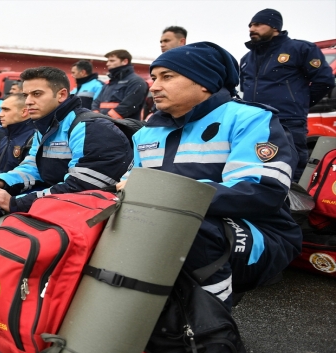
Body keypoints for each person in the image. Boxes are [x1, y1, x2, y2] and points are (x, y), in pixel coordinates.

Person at [117, 41, 301, 310]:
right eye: (154, 77)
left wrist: (164, 192)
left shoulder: (249, 118)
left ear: (204, 82)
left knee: (186, 228)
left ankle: (210, 328)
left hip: (260, 231)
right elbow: (131, 186)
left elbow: (262, 192)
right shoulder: (146, 133)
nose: (154, 86)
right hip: (171, 222)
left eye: (167, 77)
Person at [0, 66, 133, 213]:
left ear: (61, 94)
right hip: (67, 212)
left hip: (98, 219)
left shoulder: (91, 128)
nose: (28, 102)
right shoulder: (45, 127)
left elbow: (80, 189)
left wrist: (16, 203)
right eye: (26, 95)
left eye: (37, 94)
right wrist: (0, 181)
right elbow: (33, 167)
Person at [240, 8, 334, 182]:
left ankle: (292, 206)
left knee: (291, 166)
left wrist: (299, 103)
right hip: (254, 122)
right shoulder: (247, 59)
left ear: (275, 27)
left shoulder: (300, 49)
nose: (252, 29)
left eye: (258, 24)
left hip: (287, 120)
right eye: (250, 25)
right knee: (253, 166)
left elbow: (325, 81)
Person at [92, 49, 148, 120]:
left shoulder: (137, 82)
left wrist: (106, 120)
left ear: (125, 61)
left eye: (112, 61)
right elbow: (96, 102)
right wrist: (96, 117)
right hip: (103, 124)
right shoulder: (109, 83)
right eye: (108, 61)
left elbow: (129, 106)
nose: (107, 64)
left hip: (124, 127)